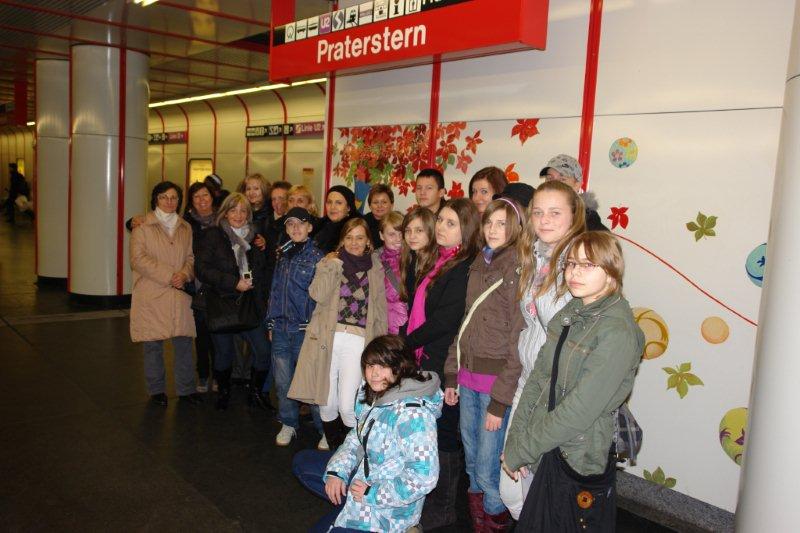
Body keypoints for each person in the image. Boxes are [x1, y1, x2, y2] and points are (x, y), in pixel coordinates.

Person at [502, 232, 644, 530]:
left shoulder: (617, 332)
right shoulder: (571, 312)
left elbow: (579, 410)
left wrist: (523, 448)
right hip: (545, 443)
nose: (575, 272)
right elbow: (539, 380)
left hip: (576, 453)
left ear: (612, 271)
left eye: (588, 265)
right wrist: (516, 440)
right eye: (570, 263)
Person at [498, 180, 587, 519]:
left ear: (574, 216)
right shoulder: (533, 255)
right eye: (538, 212)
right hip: (528, 381)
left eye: (555, 213)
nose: (544, 220)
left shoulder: (581, 263)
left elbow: (568, 328)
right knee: (512, 487)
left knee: (543, 489)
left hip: (559, 391)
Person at [293, 335, 443, 533]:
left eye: (383, 366)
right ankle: (349, 501)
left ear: (400, 367)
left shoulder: (413, 415)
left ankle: (408, 528)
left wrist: (372, 494)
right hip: (365, 477)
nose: (374, 373)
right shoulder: (376, 394)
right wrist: (337, 472)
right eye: (370, 366)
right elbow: (356, 438)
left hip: (387, 511)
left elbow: (424, 477)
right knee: (303, 462)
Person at [443, 198, 525, 531]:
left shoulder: (517, 267)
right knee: (472, 459)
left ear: (515, 228)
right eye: (489, 222)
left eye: (502, 223)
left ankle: (493, 521)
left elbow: (518, 339)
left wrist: (500, 401)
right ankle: (480, 519)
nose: (493, 229)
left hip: (495, 385)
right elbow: (466, 322)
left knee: (489, 467)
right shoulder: (479, 262)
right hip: (467, 377)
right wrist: (452, 374)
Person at [405, 198, 480, 530]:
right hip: (428, 357)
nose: (441, 228)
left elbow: (445, 321)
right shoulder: (441, 261)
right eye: (440, 221)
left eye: (451, 223)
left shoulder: (464, 267)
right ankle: (427, 501)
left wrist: (405, 342)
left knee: (444, 435)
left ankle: (444, 508)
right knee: (429, 434)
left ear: (467, 230)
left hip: (444, 362)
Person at [289, 218, 388, 452]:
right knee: (326, 403)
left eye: (360, 237)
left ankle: (355, 452)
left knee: (347, 406)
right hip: (327, 339)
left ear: (368, 241)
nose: (354, 242)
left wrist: (380, 349)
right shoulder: (330, 262)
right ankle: (337, 453)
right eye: (349, 237)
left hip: (358, 341)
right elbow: (317, 294)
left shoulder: (376, 267)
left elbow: (380, 311)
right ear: (342, 240)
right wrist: (333, 265)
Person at [195, 193, 272, 411]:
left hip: (250, 303)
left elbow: (263, 269)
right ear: (225, 213)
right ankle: (224, 392)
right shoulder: (213, 235)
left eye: (243, 211)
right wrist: (233, 282)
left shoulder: (256, 237)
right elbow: (202, 269)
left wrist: (264, 250)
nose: (238, 215)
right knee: (224, 354)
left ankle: (256, 393)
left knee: (263, 351)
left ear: (248, 214)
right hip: (222, 302)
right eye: (233, 210)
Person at [129, 181, 200, 406]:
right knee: (152, 344)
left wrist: (185, 274)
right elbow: (137, 259)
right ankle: (156, 391)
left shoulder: (185, 227)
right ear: (155, 200)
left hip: (179, 293)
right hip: (152, 292)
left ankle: (187, 390)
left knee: (184, 342)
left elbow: (191, 258)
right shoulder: (142, 226)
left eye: (174, 198)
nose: (169, 202)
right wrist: (171, 275)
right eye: (163, 197)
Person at [267, 207, 327, 450]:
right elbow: (275, 290)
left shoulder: (318, 258)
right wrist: (271, 322)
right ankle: (289, 422)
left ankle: (324, 429)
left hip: (305, 330)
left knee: (310, 383)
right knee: (283, 383)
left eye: (300, 223)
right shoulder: (282, 253)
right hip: (281, 328)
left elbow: (322, 298)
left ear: (309, 227)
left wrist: (317, 329)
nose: (295, 228)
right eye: (290, 224)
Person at [183, 181, 218, 392]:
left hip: (220, 284)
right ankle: (203, 375)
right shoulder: (186, 222)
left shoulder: (223, 218)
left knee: (219, 333)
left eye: (205, 195)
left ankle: (219, 375)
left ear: (212, 197)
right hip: (198, 284)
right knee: (202, 332)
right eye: (196, 197)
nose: (201, 200)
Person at [539, 154, 608, 231]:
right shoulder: (536, 212)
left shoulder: (588, 222)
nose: (554, 184)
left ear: (577, 185)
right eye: (550, 178)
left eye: (562, 179)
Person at [377, 211, 408, 335]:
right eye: (391, 234)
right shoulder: (374, 261)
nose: (398, 239)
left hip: (409, 324)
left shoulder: (414, 258)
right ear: (381, 235)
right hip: (383, 324)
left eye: (401, 233)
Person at [313, 185, 359, 254]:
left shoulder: (356, 229)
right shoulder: (319, 225)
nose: (332, 207)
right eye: (329, 202)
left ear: (349, 207)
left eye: (339, 203)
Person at [363, 183, 394, 248]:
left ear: (392, 205)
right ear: (370, 206)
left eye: (384, 202)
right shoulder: (363, 223)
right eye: (375, 202)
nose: (379, 206)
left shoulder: (398, 222)